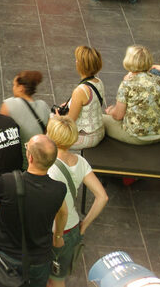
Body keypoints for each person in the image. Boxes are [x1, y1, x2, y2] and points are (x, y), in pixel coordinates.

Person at [0, 135, 68, 287]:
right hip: (39, 260)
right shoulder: (59, 189)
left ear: (30, 157)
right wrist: (58, 236)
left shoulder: (8, 181)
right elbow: (63, 213)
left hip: (7, 256)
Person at [45, 117, 108, 287]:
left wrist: (57, 235)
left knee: (47, 277)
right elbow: (102, 197)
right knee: (58, 277)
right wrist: (84, 225)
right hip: (72, 229)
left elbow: (58, 210)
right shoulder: (81, 162)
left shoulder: (48, 168)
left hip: (51, 232)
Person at [104, 45, 160, 145]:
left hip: (138, 137)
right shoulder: (159, 80)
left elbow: (118, 116)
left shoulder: (127, 84)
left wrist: (110, 111)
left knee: (100, 120)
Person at [57, 46, 105, 150]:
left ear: (81, 65)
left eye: (77, 60)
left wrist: (58, 118)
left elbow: (70, 121)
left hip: (87, 137)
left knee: (50, 141)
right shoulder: (98, 81)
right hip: (99, 130)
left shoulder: (80, 90)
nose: (76, 61)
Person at [1, 70, 51, 163]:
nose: (13, 88)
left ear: (21, 88)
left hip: (17, 161)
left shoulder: (9, 105)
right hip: (38, 161)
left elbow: (1, 134)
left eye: (14, 85)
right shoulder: (43, 106)